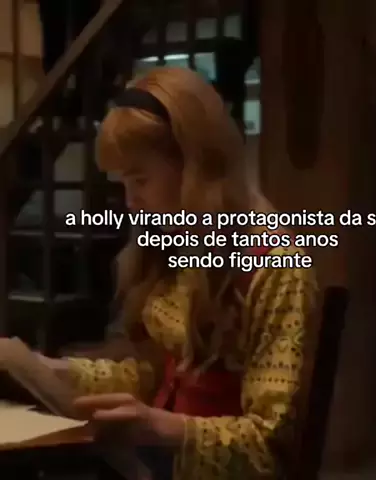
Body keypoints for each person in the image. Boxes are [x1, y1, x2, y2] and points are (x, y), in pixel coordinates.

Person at [36, 67, 317, 479]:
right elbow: (154, 375)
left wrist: (159, 427)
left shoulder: (275, 266)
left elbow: (270, 446)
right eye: (123, 184)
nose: (130, 202)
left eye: (141, 180)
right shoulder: (177, 248)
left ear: (194, 169)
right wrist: (48, 372)